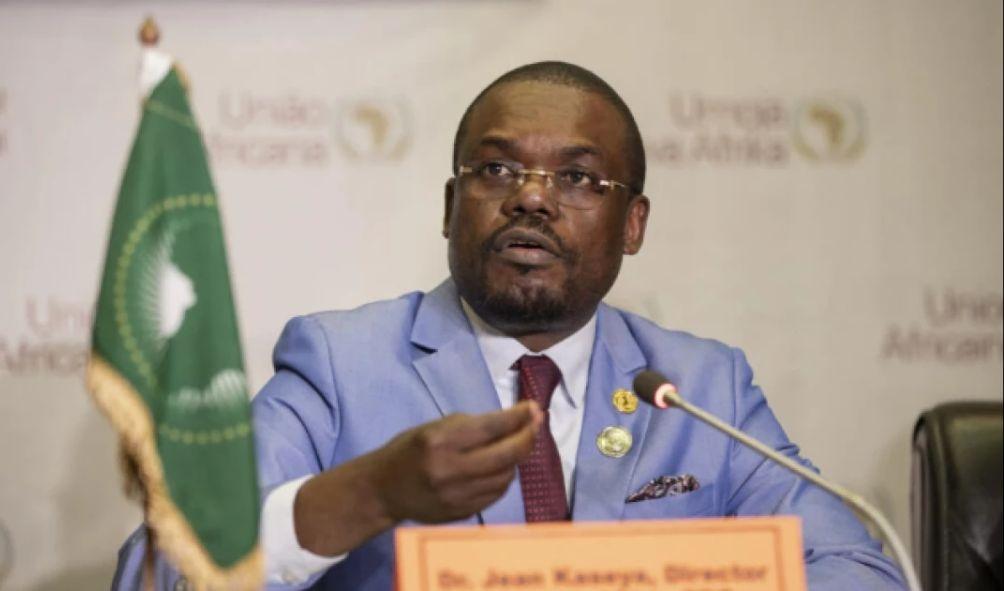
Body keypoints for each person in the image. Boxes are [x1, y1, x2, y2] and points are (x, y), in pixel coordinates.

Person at [114, 61, 907, 590]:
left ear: (632, 224)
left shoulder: (701, 387)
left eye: (577, 177)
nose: (531, 197)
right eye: (496, 169)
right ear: (452, 206)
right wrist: (369, 492)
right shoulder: (338, 364)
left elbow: (857, 566)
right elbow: (159, 571)